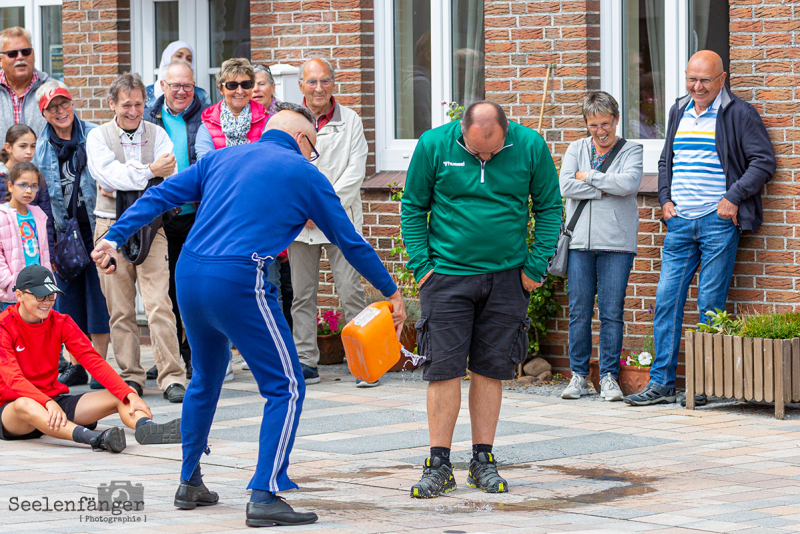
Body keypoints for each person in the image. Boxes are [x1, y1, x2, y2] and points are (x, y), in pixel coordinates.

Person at [90, 106, 406, 527]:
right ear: (300, 140)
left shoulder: (220, 157)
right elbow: (349, 241)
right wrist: (391, 290)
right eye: (312, 149)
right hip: (240, 279)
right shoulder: (306, 173)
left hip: (190, 275)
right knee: (287, 385)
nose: (312, 158)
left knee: (204, 377)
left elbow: (159, 194)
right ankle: (264, 492)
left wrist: (113, 235)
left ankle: (189, 481)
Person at [401, 101, 561, 498]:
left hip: (508, 278)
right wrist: (423, 268)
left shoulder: (530, 146)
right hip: (447, 277)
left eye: (492, 150)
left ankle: (482, 461)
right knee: (443, 369)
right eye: (477, 152)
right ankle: (438, 464)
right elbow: (412, 207)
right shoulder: (433, 145)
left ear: (506, 130)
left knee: (491, 370)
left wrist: (534, 267)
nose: (485, 156)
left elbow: (549, 207)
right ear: (462, 130)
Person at [624, 50, 776, 407]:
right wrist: (664, 200)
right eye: (691, 79)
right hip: (679, 222)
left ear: (722, 79)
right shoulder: (679, 109)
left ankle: (704, 384)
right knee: (666, 301)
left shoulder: (738, 113)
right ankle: (661, 383)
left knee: (710, 303)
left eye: (705, 80)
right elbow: (666, 160)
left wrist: (733, 198)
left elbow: (763, 161)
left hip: (717, 221)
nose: (697, 86)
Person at [0, 265, 181, 451]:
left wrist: (129, 394)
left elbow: (94, 362)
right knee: (24, 404)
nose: (46, 302)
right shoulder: (4, 326)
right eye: (40, 296)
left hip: (53, 402)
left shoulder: (61, 321)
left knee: (120, 394)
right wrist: (46, 403)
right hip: (14, 411)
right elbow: (14, 380)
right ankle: (96, 439)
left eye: (51, 296)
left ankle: (148, 428)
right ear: (19, 296)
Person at [86, 72, 187, 403]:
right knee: (120, 307)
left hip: (151, 227)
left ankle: (172, 376)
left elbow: (168, 174)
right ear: (112, 103)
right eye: (126, 104)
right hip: (108, 226)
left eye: (139, 104)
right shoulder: (98, 137)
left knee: (159, 302)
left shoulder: (158, 134)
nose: (133, 111)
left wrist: (133, 177)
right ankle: (130, 377)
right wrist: (147, 173)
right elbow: (107, 175)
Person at [558, 91, 643, 402]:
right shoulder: (575, 148)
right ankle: (579, 376)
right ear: (587, 124)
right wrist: (603, 188)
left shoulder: (631, 149)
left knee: (611, 312)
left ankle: (608, 377)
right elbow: (565, 185)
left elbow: (628, 184)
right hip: (579, 242)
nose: (600, 131)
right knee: (579, 311)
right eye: (593, 125)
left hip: (617, 244)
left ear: (616, 119)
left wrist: (589, 177)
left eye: (605, 123)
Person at [292, 58, 371, 387]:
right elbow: (282, 167)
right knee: (302, 295)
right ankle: (306, 362)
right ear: (301, 86)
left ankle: (362, 363)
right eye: (312, 82)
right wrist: (301, 208)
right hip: (300, 223)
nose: (318, 88)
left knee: (351, 291)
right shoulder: (288, 120)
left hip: (339, 220)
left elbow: (356, 171)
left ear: (333, 84)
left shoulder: (350, 120)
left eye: (325, 81)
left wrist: (323, 208)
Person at [33, 81, 111, 390]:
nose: (61, 111)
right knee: (68, 304)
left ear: (72, 104)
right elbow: (39, 195)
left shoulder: (93, 135)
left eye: (64, 103)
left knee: (99, 300)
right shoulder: (41, 148)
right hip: (63, 236)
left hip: (95, 229)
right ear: (45, 113)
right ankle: (77, 365)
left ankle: (99, 366)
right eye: (53, 107)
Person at [143, 59, 206, 381]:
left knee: (190, 290)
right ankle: (170, 357)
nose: (182, 92)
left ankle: (195, 356)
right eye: (175, 85)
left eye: (187, 86)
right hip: (160, 219)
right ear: (163, 86)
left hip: (196, 217)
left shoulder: (204, 114)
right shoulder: (148, 118)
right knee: (162, 293)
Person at [0, 162, 51, 309]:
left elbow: (44, 253)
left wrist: (49, 280)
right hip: (15, 290)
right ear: (10, 186)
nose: (28, 190)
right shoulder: (3, 215)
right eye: (23, 185)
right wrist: (8, 281)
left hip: (39, 287)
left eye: (33, 186)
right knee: (14, 330)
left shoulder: (39, 215)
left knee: (38, 328)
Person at [194, 58, 268, 160]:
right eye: (232, 85)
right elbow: (206, 165)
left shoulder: (268, 122)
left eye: (245, 84)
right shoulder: (207, 127)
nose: (240, 91)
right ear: (221, 89)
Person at [0, 124, 55, 254]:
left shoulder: (36, 176)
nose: (29, 151)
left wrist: (50, 254)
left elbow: (46, 218)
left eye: (33, 146)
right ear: (8, 147)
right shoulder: (1, 176)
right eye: (23, 146)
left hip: (32, 247)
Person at [0, 26, 50, 141]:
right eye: (12, 53)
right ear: (0, 60)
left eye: (25, 52)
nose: (20, 57)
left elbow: (71, 133)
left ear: (33, 55)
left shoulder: (51, 90)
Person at [145, 41, 212, 109]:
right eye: (179, 56)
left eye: (188, 59)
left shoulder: (201, 95)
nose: (184, 61)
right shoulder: (146, 94)